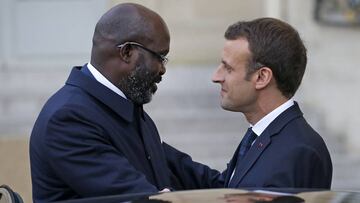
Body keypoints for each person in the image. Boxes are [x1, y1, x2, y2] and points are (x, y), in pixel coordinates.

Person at [163, 17, 332, 189]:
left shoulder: (298, 150)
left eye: (228, 68)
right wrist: (150, 146)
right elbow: (228, 188)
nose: (216, 77)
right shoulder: (265, 133)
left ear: (261, 77)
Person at [30, 3, 173, 203]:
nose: (162, 69)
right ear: (127, 52)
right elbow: (140, 198)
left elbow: (181, 172)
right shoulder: (68, 119)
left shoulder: (125, 106)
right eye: (159, 57)